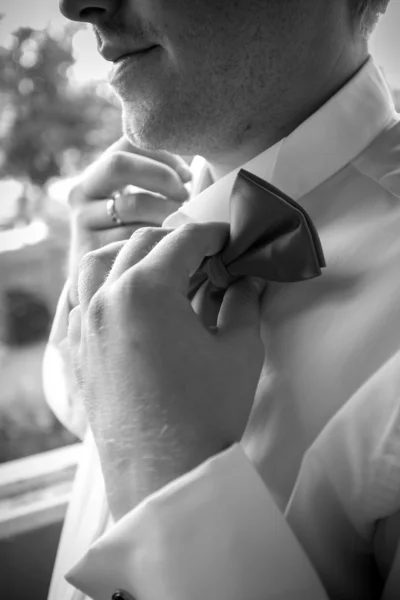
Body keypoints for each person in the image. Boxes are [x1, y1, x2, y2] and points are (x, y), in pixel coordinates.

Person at [42, 0, 400, 598]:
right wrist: (85, 306)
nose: (75, 5)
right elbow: (98, 416)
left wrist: (167, 468)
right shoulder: (153, 229)